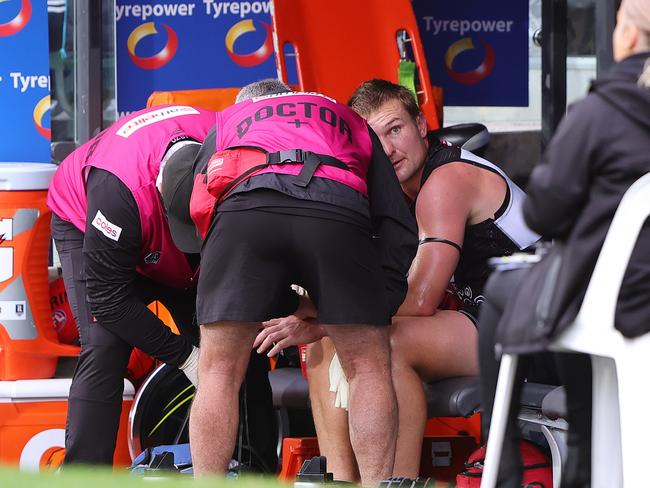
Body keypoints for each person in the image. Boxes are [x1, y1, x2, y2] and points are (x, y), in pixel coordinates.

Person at [255, 79, 539, 481]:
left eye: (395, 129)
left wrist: (321, 315)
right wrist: (323, 321)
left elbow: (420, 299)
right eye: (376, 138)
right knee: (333, 337)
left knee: (384, 342)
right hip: (486, 319)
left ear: (421, 125)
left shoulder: (446, 181)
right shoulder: (395, 194)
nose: (387, 149)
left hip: (538, 331)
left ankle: (395, 481)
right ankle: (341, 478)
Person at [178, 79, 417, 485]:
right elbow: (397, 223)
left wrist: (245, 291)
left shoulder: (229, 118)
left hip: (243, 212)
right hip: (335, 208)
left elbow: (200, 205)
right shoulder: (348, 119)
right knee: (367, 368)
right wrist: (381, 301)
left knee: (218, 370)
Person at [47, 104, 278, 470]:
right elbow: (108, 301)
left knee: (232, 337)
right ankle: (83, 475)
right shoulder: (116, 191)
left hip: (195, 221)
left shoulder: (234, 145)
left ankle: (257, 471)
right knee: (105, 344)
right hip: (92, 223)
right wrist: (187, 357)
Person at [480, 0, 650, 485]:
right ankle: (581, 457)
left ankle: (504, 460)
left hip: (623, 299)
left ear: (630, 37)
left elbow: (540, 213)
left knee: (508, 290)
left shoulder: (602, 112)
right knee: (571, 296)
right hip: (630, 298)